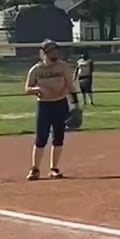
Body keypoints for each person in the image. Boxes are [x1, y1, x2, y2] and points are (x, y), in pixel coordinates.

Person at [24, 40, 78, 180]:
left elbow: (71, 87)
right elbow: (27, 89)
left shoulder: (63, 67)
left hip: (60, 104)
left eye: (55, 51)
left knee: (58, 136)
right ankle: (35, 169)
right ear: (43, 53)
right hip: (44, 105)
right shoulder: (36, 70)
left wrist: (75, 105)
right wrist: (37, 89)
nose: (54, 54)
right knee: (41, 137)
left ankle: (54, 168)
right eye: (50, 52)